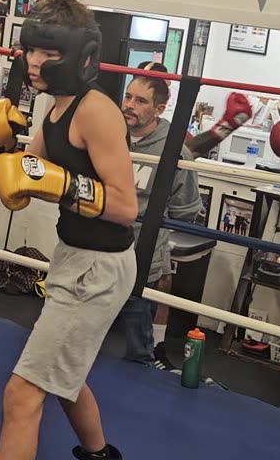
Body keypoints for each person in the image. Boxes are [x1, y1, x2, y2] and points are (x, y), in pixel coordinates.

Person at [0, 0, 139, 460]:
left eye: (50, 53)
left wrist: (63, 186)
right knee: (63, 376)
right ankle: (101, 455)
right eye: (33, 49)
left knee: (23, 392)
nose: (36, 62)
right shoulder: (56, 105)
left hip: (99, 269)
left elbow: (125, 206)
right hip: (74, 257)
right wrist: (2, 153)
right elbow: (23, 179)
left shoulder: (95, 110)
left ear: (80, 56)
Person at [113, 62, 201, 372]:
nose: (129, 106)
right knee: (77, 336)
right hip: (100, 249)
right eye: (128, 97)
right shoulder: (110, 132)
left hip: (141, 257)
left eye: (140, 101)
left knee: (138, 351)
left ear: (159, 109)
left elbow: (186, 210)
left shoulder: (173, 149)